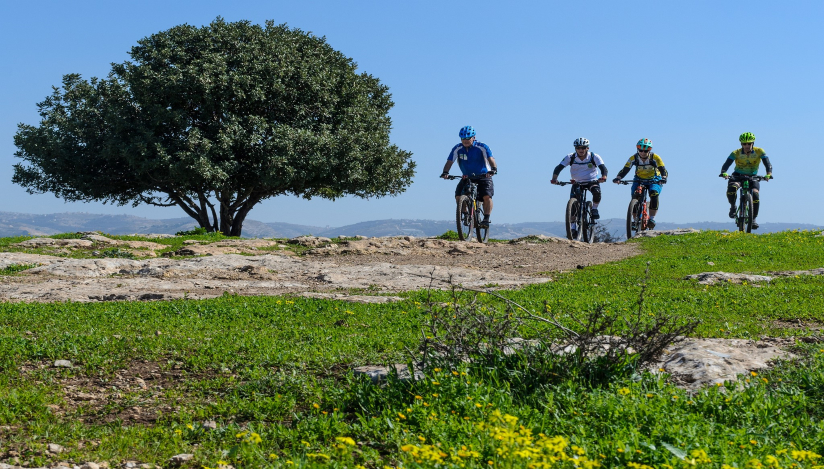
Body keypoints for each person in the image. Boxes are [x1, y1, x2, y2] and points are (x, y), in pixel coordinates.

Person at [441, 125, 497, 228]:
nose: (465, 141)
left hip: (484, 175)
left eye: (468, 138)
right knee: (458, 196)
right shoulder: (458, 148)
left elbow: (490, 158)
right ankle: (466, 214)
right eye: (463, 139)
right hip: (467, 177)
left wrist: (493, 168)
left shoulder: (482, 146)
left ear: (473, 138)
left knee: (486, 196)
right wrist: (445, 172)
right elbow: (450, 161)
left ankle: (486, 218)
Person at [551, 137, 608, 238]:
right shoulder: (570, 157)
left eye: (583, 148)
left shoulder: (594, 156)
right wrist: (554, 178)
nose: (581, 150)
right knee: (573, 204)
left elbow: (603, 168)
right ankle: (573, 228)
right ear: (575, 148)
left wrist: (604, 177)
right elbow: (559, 167)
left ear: (587, 148)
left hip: (592, 181)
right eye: (578, 148)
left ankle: (594, 209)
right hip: (577, 182)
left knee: (596, 192)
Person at [719, 132, 773, 230]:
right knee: (732, 188)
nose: (747, 146)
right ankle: (733, 207)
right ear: (741, 144)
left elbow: (767, 163)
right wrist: (724, 172)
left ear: (753, 143)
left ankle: (753, 219)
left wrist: (768, 174)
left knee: (755, 194)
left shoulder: (759, 151)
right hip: (738, 176)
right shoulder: (736, 153)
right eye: (744, 144)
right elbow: (726, 164)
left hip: (753, 176)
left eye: (749, 144)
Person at [613, 138, 668, 229]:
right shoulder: (633, 158)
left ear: (649, 150)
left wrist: (664, 178)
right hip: (639, 179)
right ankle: (635, 220)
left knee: (654, 193)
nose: (643, 152)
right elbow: (625, 169)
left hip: (654, 179)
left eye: (646, 150)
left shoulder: (655, 158)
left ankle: (652, 218)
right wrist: (618, 178)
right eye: (640, 149)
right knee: (635, 196)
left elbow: (663, 169)